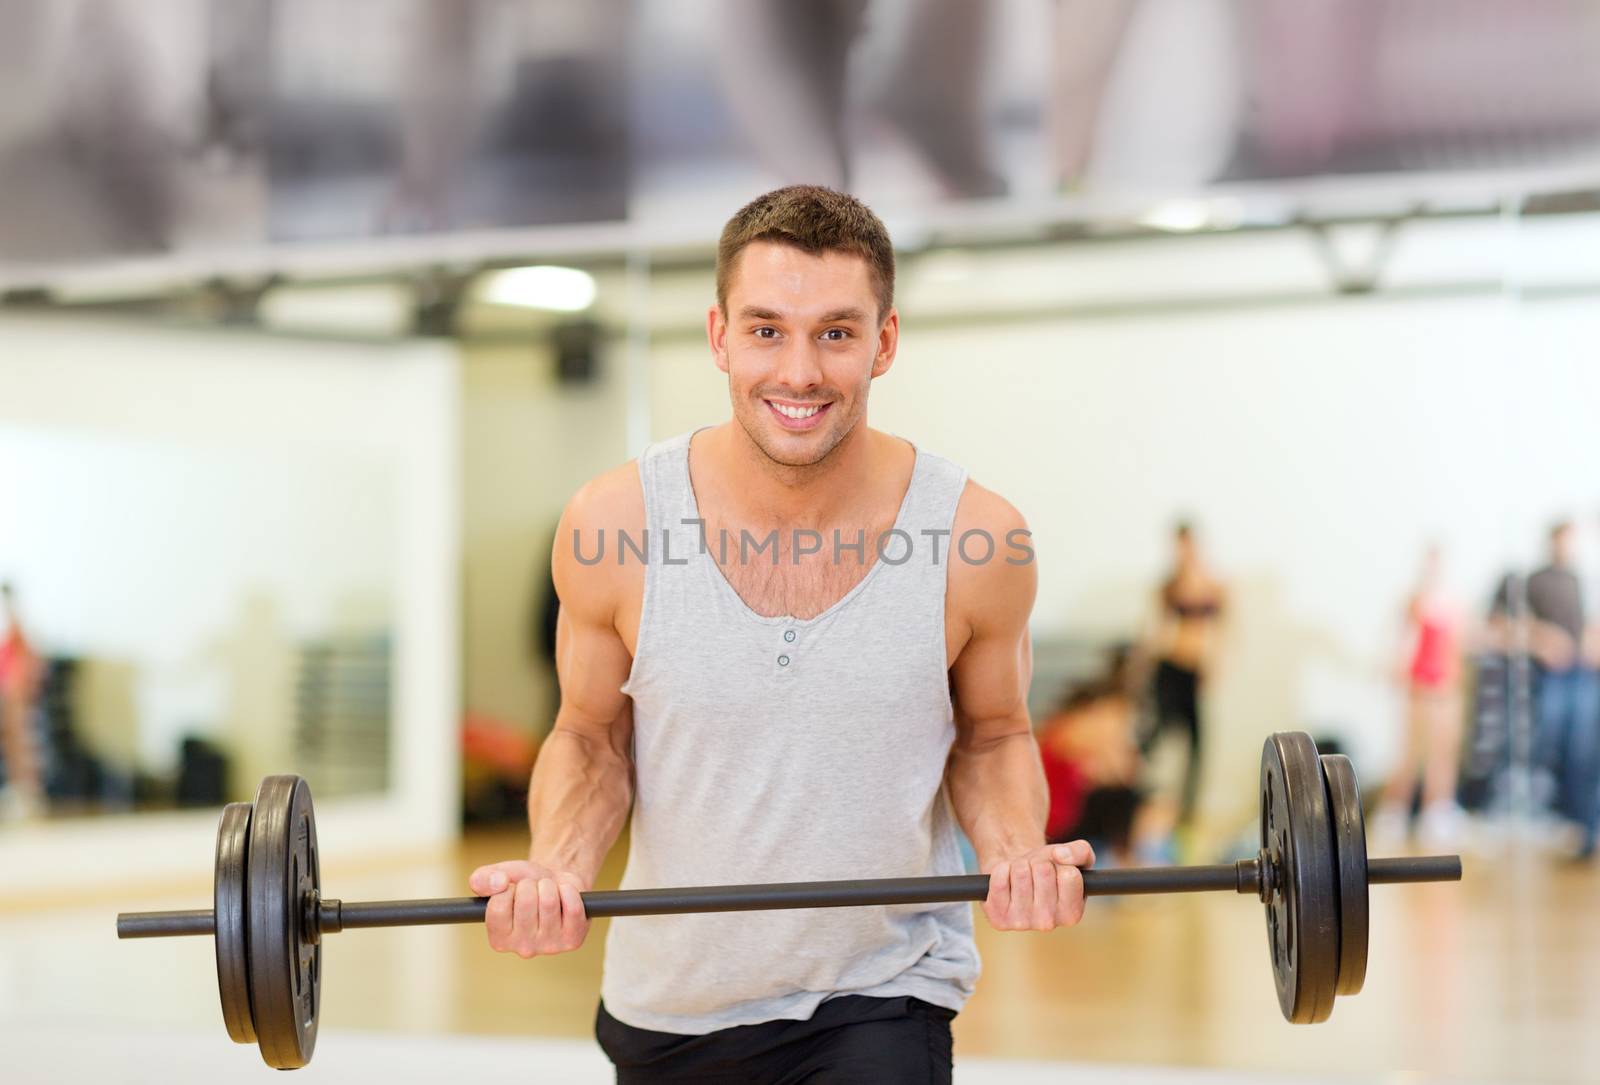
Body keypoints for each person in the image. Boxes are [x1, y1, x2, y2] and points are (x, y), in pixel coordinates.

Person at [467, 186, 1088, 1083]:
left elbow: (992, 732)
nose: (799, 371)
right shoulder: (616, 523)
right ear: (719, 335)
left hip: (882, 990)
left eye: (836, 332)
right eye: (767, 330)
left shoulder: (977, 539)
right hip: (669, 1005)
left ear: (884, 342)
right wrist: (557, 866)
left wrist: (1015, 853)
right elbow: (591, 734)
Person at [1491, 521, 1596, 854]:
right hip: (1551, 674)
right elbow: (1504, 622)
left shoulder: (1580, 579)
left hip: (1585, 671)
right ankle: (1555, 813)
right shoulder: (1535, 580)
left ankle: (1584, 827)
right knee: (1553, 738)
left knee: (1584, 748)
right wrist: (1544, 640)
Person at [1373, 545, 1466, 847]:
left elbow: (1456, 645)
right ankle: (1394, 811)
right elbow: (1403, 640)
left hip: (1445, 685)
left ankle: (1436, 809)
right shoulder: (1414, 602)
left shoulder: (1453, 604)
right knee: (1412, 751)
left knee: (1444, 752)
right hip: (1420, 684)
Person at [1141, 520, 1225, 829]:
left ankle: (1187, 812)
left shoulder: (1213, 585)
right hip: (1169, 667)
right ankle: (1145, 795)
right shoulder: (1169, 585)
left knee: (1196, 744)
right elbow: (1158, 629)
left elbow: (1220, 629)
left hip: (1194, 670)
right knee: (1159, 733)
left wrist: (1213, 664)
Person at [1037, 679, 1172, 866]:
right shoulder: (1068, 733)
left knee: (1140, 801)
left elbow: (1126, 773)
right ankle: (1134, 862)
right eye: (1116, 718)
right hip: (1055, 828)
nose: (1118, 727)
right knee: (1126, 798)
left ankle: (1139, 859)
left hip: (1065, 821)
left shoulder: (1071, 733)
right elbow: (1118, 774)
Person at [0, 582, 44, 819]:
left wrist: (22, 688)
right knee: (12, 745)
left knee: (21, 745)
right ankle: (20, 790)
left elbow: (30, 662)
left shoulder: (18, 628)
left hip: (16, 692)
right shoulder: (9, 630)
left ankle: (27, 793)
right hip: (9, 692)